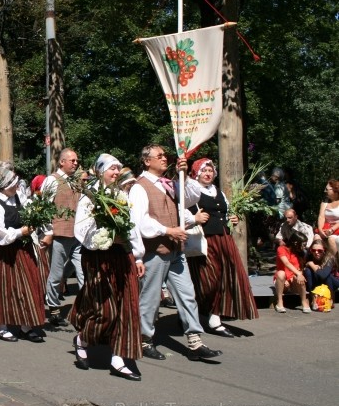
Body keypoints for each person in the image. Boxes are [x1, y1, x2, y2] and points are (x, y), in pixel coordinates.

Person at [129, 144, 222, 361]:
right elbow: (140, 222)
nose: (164, 159)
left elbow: (191, 198)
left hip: (175, 251)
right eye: (159, 156)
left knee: (187, 295)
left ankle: (194, 342)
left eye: (165, 156)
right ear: (146, 161)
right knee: (150, 299)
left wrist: (184, 175)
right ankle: (145, 339)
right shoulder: (139, 187)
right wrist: (167, 230)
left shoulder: (169, 183)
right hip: (155, 250)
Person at [70, 154, 144, 380]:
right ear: (101, 171)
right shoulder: (90, 197)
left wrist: (138, 256)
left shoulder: (122, 195)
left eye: (117, 169)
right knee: (104, 308)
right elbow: (81, 230)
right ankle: (83, 338)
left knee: (126, 307)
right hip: (97, 257)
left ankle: (118, 358)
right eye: (112, 169)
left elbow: (132, 229)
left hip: (122, 257)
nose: (115, 173)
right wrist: (105, 239)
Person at [185, 158, 259, 338]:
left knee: (223, 278)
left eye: (210, 171)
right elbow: (181, 213)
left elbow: (224, 214)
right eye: (204, 171)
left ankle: (214, 319)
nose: (208, 174)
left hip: (224, 239)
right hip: (204, 241)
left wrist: (231, 219)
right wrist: (194, 219)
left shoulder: (218, 192)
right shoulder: (191, 191)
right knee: (207, 280)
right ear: (196, 173)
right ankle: (189, 313)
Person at [0, 165, 46, 344]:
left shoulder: (18, 197)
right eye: (13, 183)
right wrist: (21, 232)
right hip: (2, 252)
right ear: (4, 185)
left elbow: (30, 213)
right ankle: (1, 326)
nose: (17, 186)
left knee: (30, 285)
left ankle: (26, 325)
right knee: (3, 289)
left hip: (21, 249)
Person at [41, 148, 84, 326]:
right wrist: (48, 232)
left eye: (76, 161)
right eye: (72, 160)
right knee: (56, 274)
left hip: (77, 235)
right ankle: (53, 309)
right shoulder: (52, 181)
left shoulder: (75, 182)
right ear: (62, 162)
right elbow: (43, 208)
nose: (75, 163)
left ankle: (85, 307)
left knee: (83, 273)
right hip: (59, 235)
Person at [274, 231, 311, 313]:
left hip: (293, 281)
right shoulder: (281, 249)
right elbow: (286, 263)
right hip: (282, 280)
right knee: (281, 273)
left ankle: (304, 301)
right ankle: (280, 302)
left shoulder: (300, 253)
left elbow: (299, 268)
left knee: (300, 276)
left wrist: (297, 275)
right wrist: (288, 278)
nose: (304, 247)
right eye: (303, 244)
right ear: (295, 243)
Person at [304, 237, 339, 308]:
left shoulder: (329, 258)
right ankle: (313, 299)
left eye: (319, 251)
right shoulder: (308, 256)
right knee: (308, 271)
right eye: (313, 250)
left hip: (333, 281)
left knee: (327, 276)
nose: (316, 252)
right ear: (310, 250)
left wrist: (312, 265)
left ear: (324, 250)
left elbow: (323, 275)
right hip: (316, 280)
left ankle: (330, 299)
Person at [317, 179, 339, 259]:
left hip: (336, 229)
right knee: (316, 238)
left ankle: (336, 264)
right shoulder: (324, 202)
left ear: (335, 190)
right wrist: (320, 229)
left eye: (327, 189)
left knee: (331, 239)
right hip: (326, 228)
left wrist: (332, 229)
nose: (324, 191)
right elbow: (321, 216)